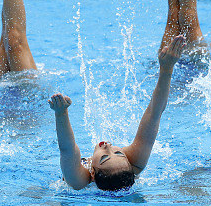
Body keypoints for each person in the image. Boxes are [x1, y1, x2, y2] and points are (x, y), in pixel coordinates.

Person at [48, 35, 186, 191]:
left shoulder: (78, 180)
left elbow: (67, 149)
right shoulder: (134, 162)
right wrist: (167, 69)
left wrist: (61, 113)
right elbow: (154, 113)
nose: (108, 146)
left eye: (104, 157)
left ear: (92, 173)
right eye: (119, 153)